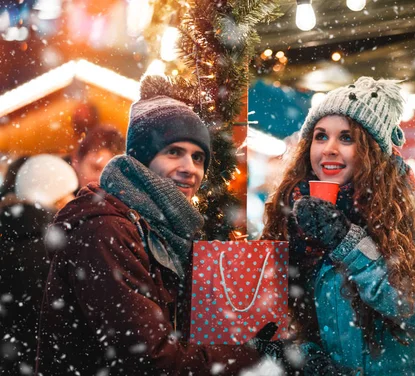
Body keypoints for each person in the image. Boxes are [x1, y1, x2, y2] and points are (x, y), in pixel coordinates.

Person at [35, 76, 264, 375]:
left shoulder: (165, 230)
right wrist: (247, 354)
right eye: (173, 152)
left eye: (198, 158)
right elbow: (150, 359)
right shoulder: (106, 229)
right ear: (142, 158)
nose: (189, 169)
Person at [261, 77, 415, 375]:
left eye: (346, 138)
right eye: (321, 136)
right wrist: (303, 356)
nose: (329, 149)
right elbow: (294, 315)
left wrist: (348, 243)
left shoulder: (408, 210)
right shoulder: (294, 210)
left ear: (372, 150)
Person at [1, 154, 78, 374]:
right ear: (56, 199)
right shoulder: (60, 250)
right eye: (68, 195)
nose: (74, 199)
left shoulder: (8, 240)